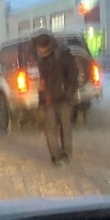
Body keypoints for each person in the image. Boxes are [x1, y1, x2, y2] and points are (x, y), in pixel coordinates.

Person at [32, 29, 79, 167]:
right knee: (50, 129)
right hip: (49, 100)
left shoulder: (63, 55)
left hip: (64, 98)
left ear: (48, 45)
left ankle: (66, 154)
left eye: (40, 48)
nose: (38, 51)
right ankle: (56, 156)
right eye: (37, 49)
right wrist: (42, 98)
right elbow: (42, 81)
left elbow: (73, 75)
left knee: (65, 128)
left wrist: (69, 93)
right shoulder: (41, 59)